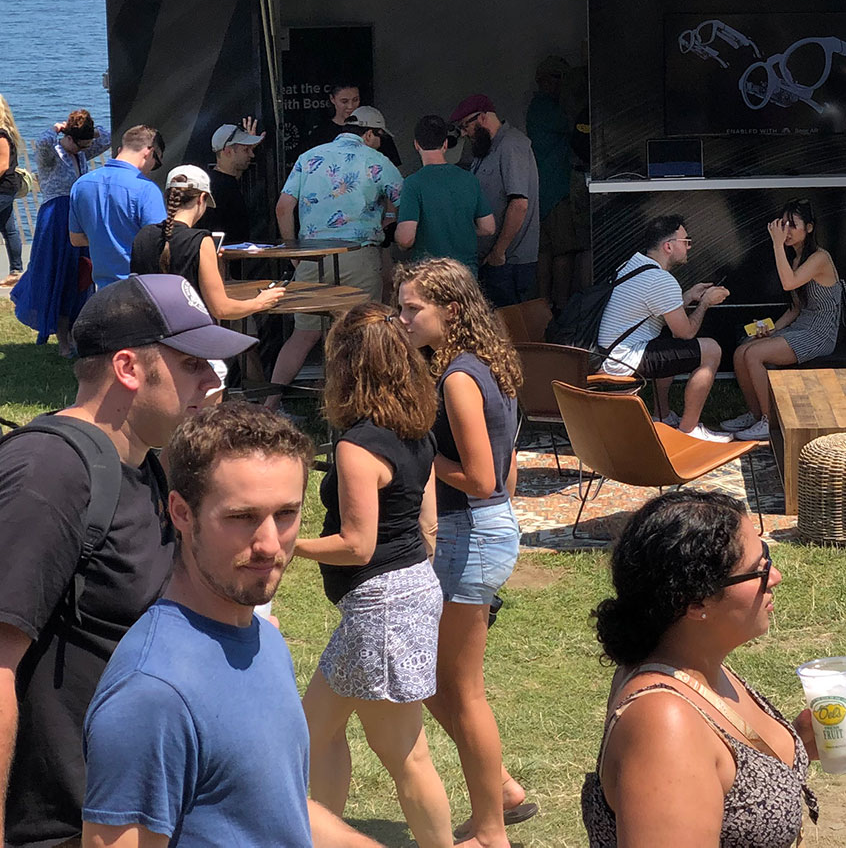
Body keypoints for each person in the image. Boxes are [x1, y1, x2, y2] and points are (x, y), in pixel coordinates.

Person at [0, 274, 250, 848]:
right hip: (57, 828)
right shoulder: (49, 473)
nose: (213, 381)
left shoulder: (146, 466)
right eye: (193, 363)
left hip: (131, 815)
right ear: (129, 369)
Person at [80, 403, 382, 848]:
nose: (268, 544)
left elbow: (275, 811)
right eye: (241, 518)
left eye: (285, 515)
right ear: (181, 513)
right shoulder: (152, 695)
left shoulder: (263, 638)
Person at [583, 489, 846, 848]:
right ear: (696, 601)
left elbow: (722, 775)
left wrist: (795, 746)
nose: (775, 576)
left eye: (766, 558)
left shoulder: (691, 667)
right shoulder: (665, 723)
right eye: (757, 570)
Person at [295, 303, 454, 848]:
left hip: (381, 606)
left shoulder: (357, 445)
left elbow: (356, 545)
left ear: (347, 367)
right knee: (315, 728)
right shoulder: (416, 429)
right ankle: (320, 834)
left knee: (407, 755)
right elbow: (428, 524)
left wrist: (286, 545)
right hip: (408, 591)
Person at [394, 257, 537, 845]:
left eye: (412, 309)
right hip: (483, 530)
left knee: (456, 688)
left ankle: (490, 826)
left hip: (470, 534)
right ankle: (500, 789)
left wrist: (418, 459)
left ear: (449, 311)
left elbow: (480, 476)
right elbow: (503, 478)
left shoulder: (456, 376)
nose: (402, 318)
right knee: (433, 681)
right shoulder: (481, 366)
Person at [270, 106, 403, 388]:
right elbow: (406, 200)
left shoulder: (308, 158)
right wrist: (388, 218)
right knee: (363, 333)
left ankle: (270, 404)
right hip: (359, 257)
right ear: (369, 134)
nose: (381, 143)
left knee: (303, 336)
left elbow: (283, 208)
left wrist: (296, 253)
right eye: (380, 137)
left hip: (311, 255)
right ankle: (359, 405)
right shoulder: (377, 160)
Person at [593, 215, 732, 441]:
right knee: (711, 350)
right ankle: (689, 429)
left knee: (666, 338)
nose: (689, 246)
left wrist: (687, 296)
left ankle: (662, 415)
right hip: (622, 360)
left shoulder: (632, 264)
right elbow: (685, 332)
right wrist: (705, 303)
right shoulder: (661, 280)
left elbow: (656, 311)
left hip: (605, 353)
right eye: (685, 241)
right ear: (668, 246)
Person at [724, 200, 844, 443]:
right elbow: (795, 308)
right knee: (742, 350)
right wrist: (771, 330)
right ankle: (756, 414)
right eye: (784, 224)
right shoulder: (797, 258)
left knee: (753, 355)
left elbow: (788, 283)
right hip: (800, 326)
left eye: (793, 225)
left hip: (819, 333)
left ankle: (771, 421)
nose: (787, 230)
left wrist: (777, 244)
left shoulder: (820, 258)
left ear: (809, 228)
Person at [129, 165, 287, 320]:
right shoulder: (201, 241)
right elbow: (222, 309)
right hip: (190, 332)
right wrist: (260, 303)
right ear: (202, 198)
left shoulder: (143, 235)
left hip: (149, 332)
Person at [13, 109, 108, 346]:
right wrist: (58, 128)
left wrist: (87, 132)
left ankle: (76, 327)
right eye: (79, 144)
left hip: (79, 216)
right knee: (59, 274)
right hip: (56, 218)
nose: (84, 149)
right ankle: (63, 336)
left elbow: (105, 137)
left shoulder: (82, 151)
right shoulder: (52, 154)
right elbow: (43, 143)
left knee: (81, 273)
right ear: (67, 138)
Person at [449, 94, 541, 307]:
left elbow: (519, 204)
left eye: (465, 126)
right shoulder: (484, 147)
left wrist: (499, 252)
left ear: (481, 118)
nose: (463, 133)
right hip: (490, 258)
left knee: (512, 330)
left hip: (509, 261)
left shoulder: (511, 145)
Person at [68, 124, 166, 291]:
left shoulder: (81, 184)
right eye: (156, 163)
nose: (152, 169)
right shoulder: (146, 189)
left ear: (121, 149)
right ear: (149, 153)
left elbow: (75, 239)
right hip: (141, 288)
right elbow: (159, 243)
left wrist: (105, 237)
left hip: (103, 291)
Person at [396, 115, 495, 271]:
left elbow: (406, 238)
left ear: (416, 145)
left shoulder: (413, 183)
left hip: (429, 274)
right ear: (445, 144)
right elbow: (489, 227)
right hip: (465, 273)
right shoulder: (469, 179)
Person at [526, 57, 583, 310]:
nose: (563, 85)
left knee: (545, 250)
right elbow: (576, 125)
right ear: (546, 80)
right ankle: (560, 304)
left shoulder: (538, 107)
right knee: (563, 250)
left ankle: (543, 304)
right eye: (560, 78)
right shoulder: (547, 108)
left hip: (544, 190)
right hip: (555, 190)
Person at [305, 80, 402, 169]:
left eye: (355, 100)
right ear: (332, 99)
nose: (351, 106)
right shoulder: (319, 135)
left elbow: (392, 173)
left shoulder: (377, 131)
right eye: (344, 101)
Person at [200, 118, 267, 244]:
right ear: (228, 151)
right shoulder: (214, 188)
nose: (252, 155)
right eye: (246, 150)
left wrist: (247, 148)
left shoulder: (224, 182)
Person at [0, 95, 27, 286]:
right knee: (9, 229)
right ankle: (16, 270)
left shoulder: (1, 135)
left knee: (9, 229)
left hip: (3, 188)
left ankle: (16, 270)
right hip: (6, 188)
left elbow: (2, 165)